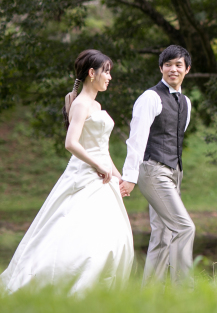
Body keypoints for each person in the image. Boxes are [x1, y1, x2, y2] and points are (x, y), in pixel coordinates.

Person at [1, 50, 134, 293]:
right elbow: (71, 143)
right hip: (85, 176)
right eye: (106, 71)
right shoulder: (81, 104)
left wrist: (118, 176)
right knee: (77, 232)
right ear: (92, 73)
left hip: (101, 177)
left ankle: (102, 289)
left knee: (110, 234)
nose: (109, 77)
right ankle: (67, 282)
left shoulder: (96, 104)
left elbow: (102, 150)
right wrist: (97, 165)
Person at [119, 45, 195, 285]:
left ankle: (150, 295)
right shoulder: (150, 98)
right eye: (168, 64)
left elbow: (176, 136)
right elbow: (137, 139)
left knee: (162, 235)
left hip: (174, 172)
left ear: (187, 69)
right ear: (161, 68)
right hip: (153, 170)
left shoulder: (186, 102)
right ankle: (185, 291)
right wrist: (130, 176)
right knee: (184, 228)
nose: (173, 69)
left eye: (178, 65)